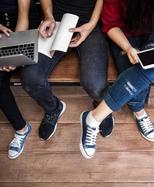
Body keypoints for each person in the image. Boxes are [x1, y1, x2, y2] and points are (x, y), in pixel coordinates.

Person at [79, 0, 154, 159]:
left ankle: (94, 118)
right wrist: (128, 48)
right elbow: (110, 24)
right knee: (131, 73)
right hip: (123, 34)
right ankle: (139, 112)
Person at [21, 0, 112, 141]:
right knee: (30, 77)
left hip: (90, 23)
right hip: (57, 21)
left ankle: (102, 107)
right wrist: (48, 17)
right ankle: (53, 108)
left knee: (95, 85)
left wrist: (91, 25)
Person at [0, 0, 41, 159]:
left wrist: (10, 53)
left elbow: (24, 15)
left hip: (23, 22)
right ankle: (22, 128)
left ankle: (21, 129)